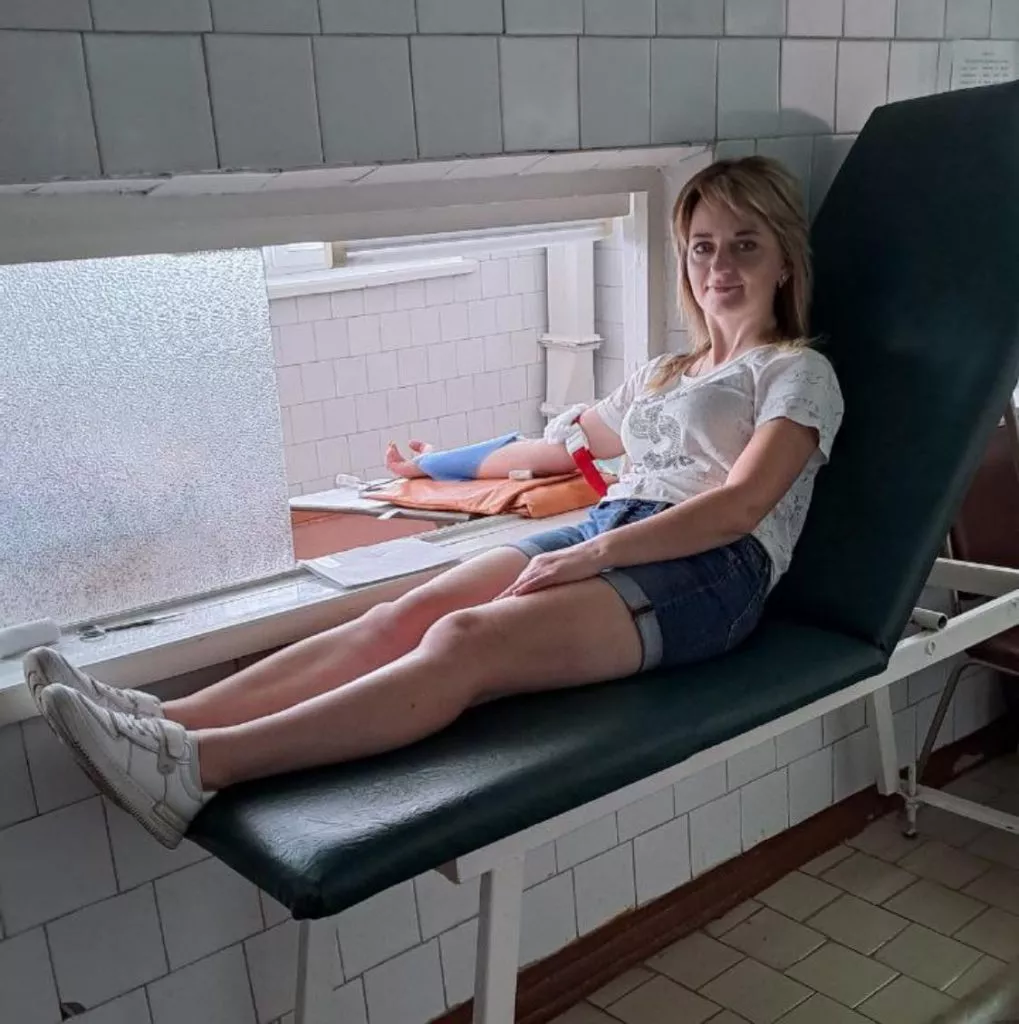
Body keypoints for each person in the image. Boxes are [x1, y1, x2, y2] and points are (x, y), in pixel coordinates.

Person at [24, 156, 844, 850]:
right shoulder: (666, 372)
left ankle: (197, 769)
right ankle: (165, 721)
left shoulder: (796, 372)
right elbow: (559, 446)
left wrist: (590, 554)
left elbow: (739, 507)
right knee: (404, 614)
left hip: (712, 571)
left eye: (744, 244)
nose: (718, 266)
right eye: (702, 246)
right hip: (615, 528)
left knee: (463, 638)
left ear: (783, 260)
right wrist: (432, 467)